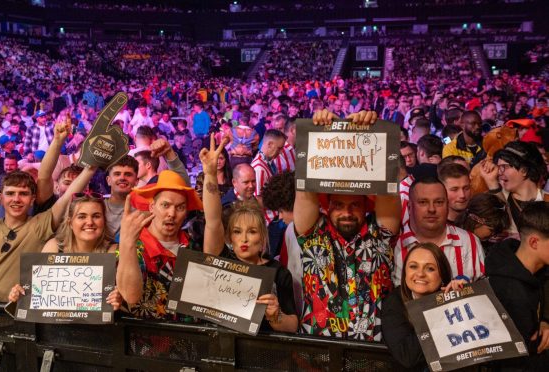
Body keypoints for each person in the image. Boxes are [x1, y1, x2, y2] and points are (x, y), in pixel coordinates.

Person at [0, 121, 98, 311]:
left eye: (23, 194)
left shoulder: (41, 223)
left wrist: (90, 167)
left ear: (32, 199)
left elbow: (63, 192)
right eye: (10, 193)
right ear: (0, 197)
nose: (16, 199)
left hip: (24, 317)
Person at [291, 109, 400, 340]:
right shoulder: (313, 235)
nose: (347, 212)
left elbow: (388, 191)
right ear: (327, 207)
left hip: (373, 355)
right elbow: (304, 192)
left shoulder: (380, 236)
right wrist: (318, 131)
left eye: (355, 205)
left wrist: (371, 128)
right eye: (338, 204)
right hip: (318, 354)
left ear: (366, 207)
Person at [200, 135, 298, 333]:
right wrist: (210, 175)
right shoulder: (222, 262)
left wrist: (275, 316)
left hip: (264, 355)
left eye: (252, 232)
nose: (244, 239)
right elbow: (212, 221)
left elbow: (293, 324)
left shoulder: (279, 273)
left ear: (262, 236)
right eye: (237, 232)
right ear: (229, 237)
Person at [7, 192, 122, 310]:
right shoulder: (54, 247)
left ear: (104, 221)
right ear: (70, 222)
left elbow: (129, 298)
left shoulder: (115, 252)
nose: (89, 222)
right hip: (56, 325)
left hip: (100, 325)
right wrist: (18, 295)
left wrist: (119, 298)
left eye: (96, 216)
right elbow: (34, 292)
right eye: (81, 216)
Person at [116, 170, 202, 319]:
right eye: (165, 205)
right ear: (152, 207)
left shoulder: (194, 245)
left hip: (192, 337)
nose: (172, 214)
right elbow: (129, 296)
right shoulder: (135, 246)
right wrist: (127, 242)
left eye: (180, 207)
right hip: (148, 338)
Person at [486, 202, 549, 371]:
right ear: (534, 242)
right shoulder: (509, 293)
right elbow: (516, 361)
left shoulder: (535, 267)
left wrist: (545, 320)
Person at [382, 243, 466, 370]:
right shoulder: (394, 302)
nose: (420, 274)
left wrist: (466, 299)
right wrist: (440, 309)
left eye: (430, 269)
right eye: (413, 266)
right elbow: (407, 357)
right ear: (405, 272)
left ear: (442, 275)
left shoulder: (453, 297)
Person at [393, 178, 485, 286]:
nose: (431, 209)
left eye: (438, 202)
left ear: (447, 205)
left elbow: (484, 290)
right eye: (423, 202)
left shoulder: (469, 242)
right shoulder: (396, 245)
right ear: (409, 207)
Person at [480, 141, 548, 237]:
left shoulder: (547, 200)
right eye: (498, 167)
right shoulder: (496, 196)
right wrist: (491, 183)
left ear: (524, 170)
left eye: (504, 167)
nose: (499, 172)